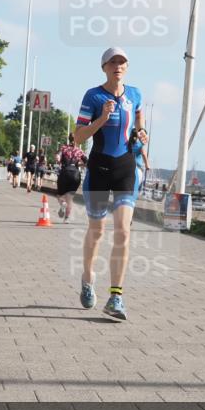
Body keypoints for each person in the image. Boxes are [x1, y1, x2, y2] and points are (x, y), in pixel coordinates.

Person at [73, 46, 147, 321]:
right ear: (104, 67)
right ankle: (88, 278)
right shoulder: (93, 96)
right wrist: (102, 118)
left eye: (122, 62)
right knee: (97, 231)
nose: (118, 65)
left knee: (124, 231)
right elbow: (78, 137)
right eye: (113, 62)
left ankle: (116, 296)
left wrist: (141, 131)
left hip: (126, 167)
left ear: (127, 67)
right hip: (100, 168)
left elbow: (139, 116)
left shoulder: (135, 93)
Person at [56, 134, 87, 223]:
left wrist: (60, 160)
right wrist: (78, 164)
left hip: (65, 173)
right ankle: (67, 219)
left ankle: (62, 203)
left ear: (69, 139)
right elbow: (86, 162)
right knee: (70, 198)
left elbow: (57, 158)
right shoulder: (79, 151)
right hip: (76, 175)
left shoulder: (63, 148)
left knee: (60, 195)